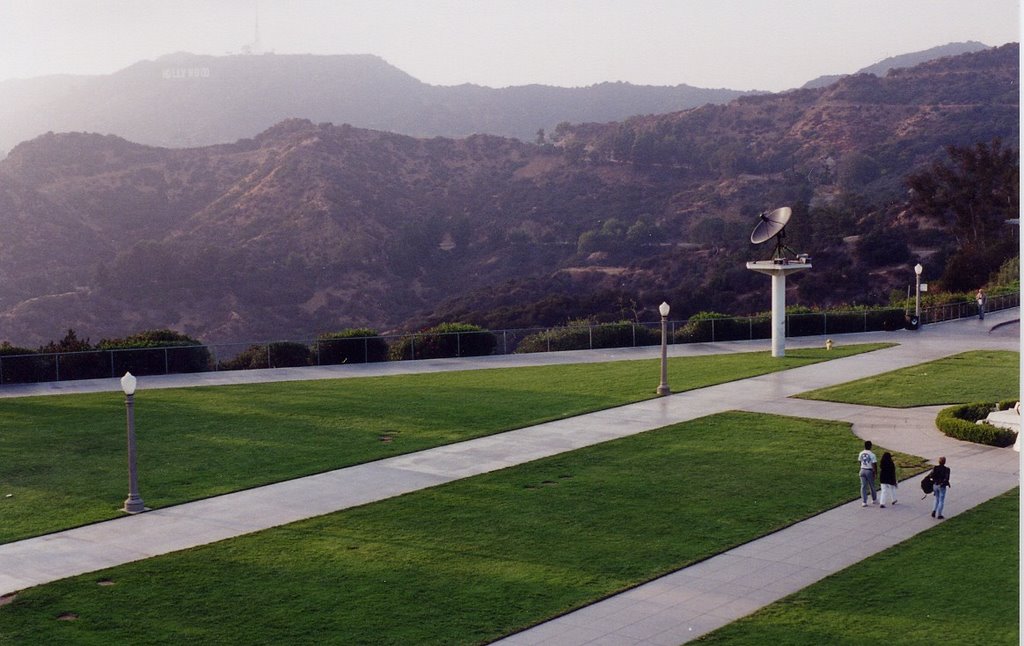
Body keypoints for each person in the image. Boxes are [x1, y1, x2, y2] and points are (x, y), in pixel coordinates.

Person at [858, 440, 878, 507]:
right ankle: (874, 499)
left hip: (862, 470)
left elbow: (860, 461)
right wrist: (875, 473)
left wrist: (862, 467)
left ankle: (864, 502)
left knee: (863, 486)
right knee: (871, 485)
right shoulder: (872, 454)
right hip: (869, 470)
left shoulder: (861, 453)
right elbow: (874, 464)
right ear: (870, 446)